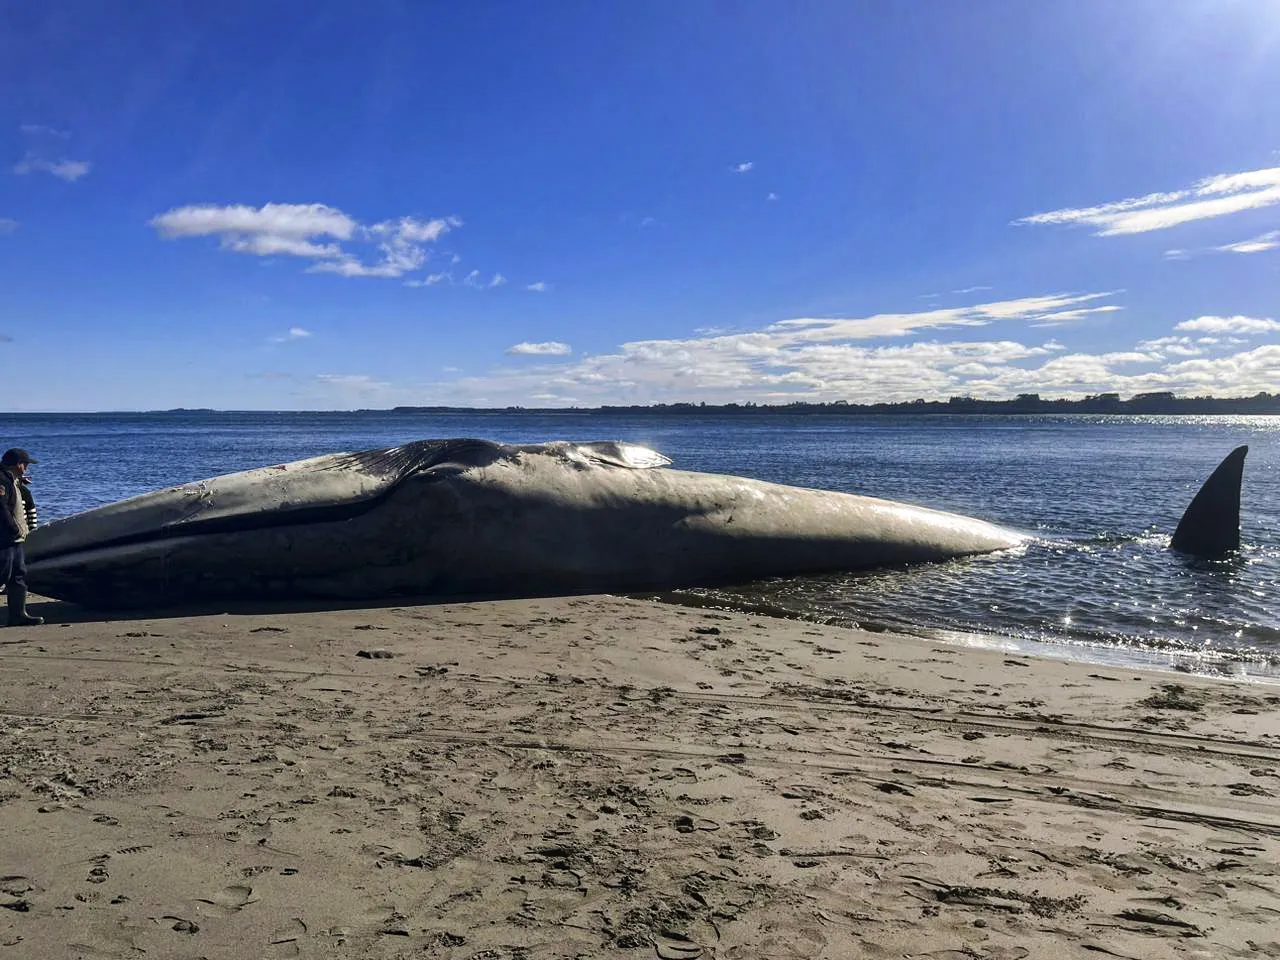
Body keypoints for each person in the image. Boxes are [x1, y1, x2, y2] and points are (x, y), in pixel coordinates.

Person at [1, 447, 44, 626]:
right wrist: (13, 529)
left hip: (15, 539)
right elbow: (1, 509)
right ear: (19, 465)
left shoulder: (13, 480)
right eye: (25, 464)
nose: (26, 468)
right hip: (5, 539)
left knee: (18, 576)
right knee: (2, 574)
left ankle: (18, 615)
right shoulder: (2, 481)